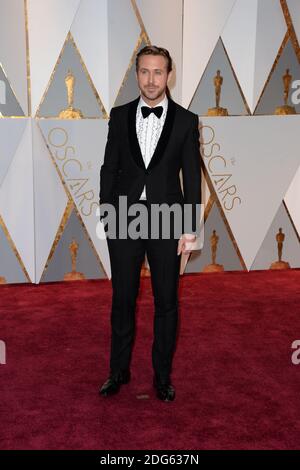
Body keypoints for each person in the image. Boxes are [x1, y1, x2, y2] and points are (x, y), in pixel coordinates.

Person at [99, 45, 201, 402]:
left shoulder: (187, 121)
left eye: (158, 72)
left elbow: (192, 176)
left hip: (168, 221)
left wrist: (190, 229)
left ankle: (162, 376)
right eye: (145, 71)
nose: (151, 79)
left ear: (168, 75)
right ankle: (118, 371)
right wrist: (107, 213)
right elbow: (109, 167)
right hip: (124, 219)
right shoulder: (119, 115)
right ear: (136, 74)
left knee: (166, 302)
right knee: (122, 299)